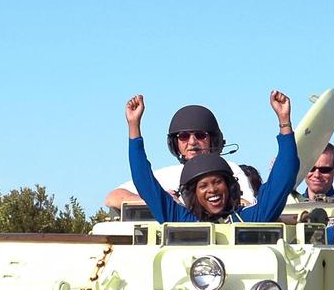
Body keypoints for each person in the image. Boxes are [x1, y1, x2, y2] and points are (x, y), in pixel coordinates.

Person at [124, 91, 298, 223]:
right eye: (203, 185)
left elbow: (284, 177)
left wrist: (284, 121)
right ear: (192, 194)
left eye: (217, 182)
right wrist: (134, 126)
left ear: (230, 187)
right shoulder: (181, 221)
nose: (212, 190)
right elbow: (144, 181)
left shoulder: (249, 220)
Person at [104, 104, 254, 211]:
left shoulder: (231, 170)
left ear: (213, 140)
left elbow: (247, 204)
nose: (192, 142)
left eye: (200, 135)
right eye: (183, 136)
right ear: (175, 143)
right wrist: (159, 200)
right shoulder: (169, 174)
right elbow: (113, 197)